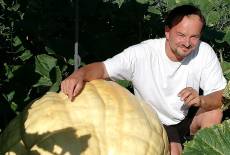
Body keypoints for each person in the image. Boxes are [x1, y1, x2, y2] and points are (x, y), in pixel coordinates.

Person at [61, 4, 226, 155]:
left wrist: (201, 100)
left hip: (184, 120)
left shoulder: (204, 52)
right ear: (167, 32)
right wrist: (79, 75)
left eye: (194, 37)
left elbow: (221, 96)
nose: (187, 43)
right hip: (153, 122)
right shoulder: (142, 54)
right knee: (174, 151)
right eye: (181, 35)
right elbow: (103, 69)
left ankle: (202, 150)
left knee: (214, 112)